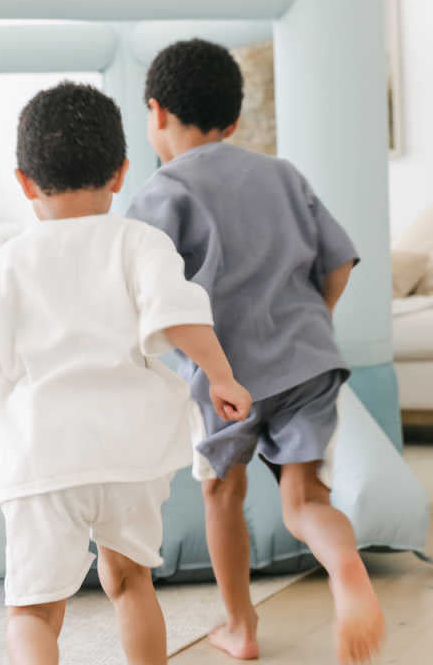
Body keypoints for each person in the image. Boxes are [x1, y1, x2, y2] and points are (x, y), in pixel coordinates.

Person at [0, 81, 252, 665]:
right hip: (129, 455)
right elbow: (180, 313)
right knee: (130, 581)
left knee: (34, 611)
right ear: (120, 174)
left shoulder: (8, 261)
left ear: (22, 181)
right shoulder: (140, 242)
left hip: (43, 456)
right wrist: (221, 377)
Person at [127, 39, 384, 664]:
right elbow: (340, 261)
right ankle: (346, 568)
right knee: (304, 502)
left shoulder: (160, 194)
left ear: (155, 112)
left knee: (223, 494)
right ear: (236, 119)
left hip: (226, 379)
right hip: (311, 361)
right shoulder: (282, 174)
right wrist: (313, 324)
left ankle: (241, 629)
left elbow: (146, 294)